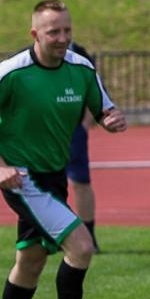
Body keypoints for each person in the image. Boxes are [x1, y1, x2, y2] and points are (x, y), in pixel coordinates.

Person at [0, 0, 127, 299]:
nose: (62, 38)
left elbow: (103, 109)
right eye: (54, 31)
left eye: (67, 30)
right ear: (35, 34)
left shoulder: (81, 69)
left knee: (32, 260)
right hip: (22, 177)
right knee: (81, 247)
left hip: (53, 176)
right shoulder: (10, 72)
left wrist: (111, 119)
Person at [67, 42, 99, 252]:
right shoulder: (29, 57)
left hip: (73, 131)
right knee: (44, 183)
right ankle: (54, 237)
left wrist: (86, 124)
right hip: (44, 132)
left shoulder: (79, 55)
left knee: (80, 182)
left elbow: (93, 90)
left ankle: (89, 235)